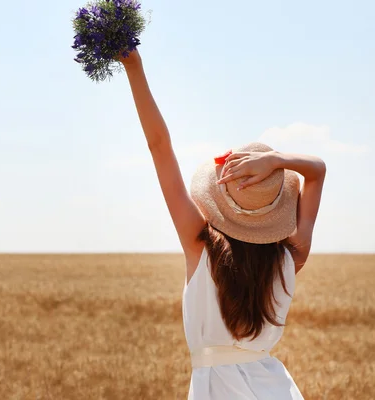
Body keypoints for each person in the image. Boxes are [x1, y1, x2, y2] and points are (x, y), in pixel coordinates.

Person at [120, 49, 326, 400]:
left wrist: (133, 67)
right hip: (277, 389)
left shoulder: (200, 245)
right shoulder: (292, 257)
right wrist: (276, 160)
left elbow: (159, 147)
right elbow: (317, 171)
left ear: (222, 199)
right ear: (276, 212)